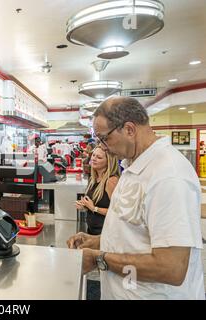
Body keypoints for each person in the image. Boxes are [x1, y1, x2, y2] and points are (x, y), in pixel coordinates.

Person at [67, 97, 204, 300]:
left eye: (105, 138)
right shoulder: (133, 166)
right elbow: (135, 234)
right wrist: (99, 241)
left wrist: (100, 258)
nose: (102, 147)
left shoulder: (168, 176)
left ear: (129, 129)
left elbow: (172, 268)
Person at [75, 147, 120, 235]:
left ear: (108, 162)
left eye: (99, 157)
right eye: (93, 155)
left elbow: (118, 212)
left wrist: (94, 208)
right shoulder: (93, 178)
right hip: (92, 230)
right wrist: (85, 206)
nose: (94, 159)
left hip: (106, 233)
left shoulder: (111, 181)